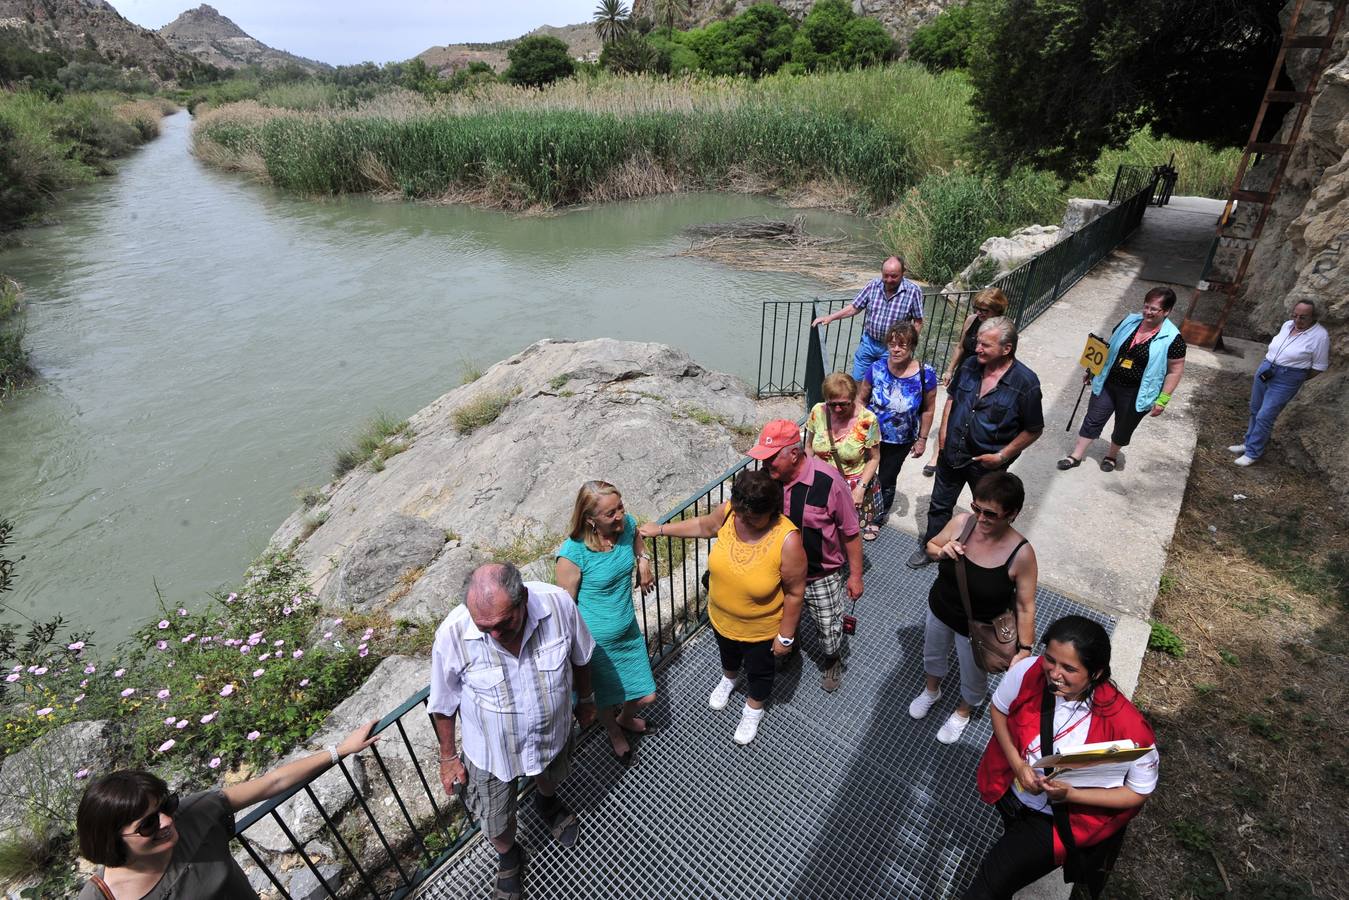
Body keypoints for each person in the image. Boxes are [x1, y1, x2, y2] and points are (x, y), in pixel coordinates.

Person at [430, 563, 597, 900]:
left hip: (550, 733)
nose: (494, 635)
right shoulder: (453, 634)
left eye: (503, 624)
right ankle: (509, 856)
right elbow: (443, 704)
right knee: (494, 818)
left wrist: (587, 699)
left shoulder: (556, 605)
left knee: (550, 774)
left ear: (524, 600)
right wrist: (448, 757)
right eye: (484, 627)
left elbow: (581, 656)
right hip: (492, 752)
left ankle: (547, 804)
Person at [963, 615, 1159, 900]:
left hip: (1054, 821)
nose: (1054, 674)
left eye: (1069, 668)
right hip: (1012, 793)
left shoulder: (1129, 728)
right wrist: (1018, 765)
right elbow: (999, 710)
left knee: (989, 885)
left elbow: (1137, 793)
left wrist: (1072, 794)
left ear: (1096, 672)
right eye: (1051, 660)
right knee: (1006, 871)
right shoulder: (1029, 671)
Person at [75, 721, 380, 899]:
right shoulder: (100, 897)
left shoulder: (193, 815)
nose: (167, 820)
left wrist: (339, 750)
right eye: (148, 824)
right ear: (111, 839)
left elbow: (272, 782)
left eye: (165, 805)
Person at [638, 469, 806, 744]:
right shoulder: (731, 512)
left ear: (772, 511)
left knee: (760, 671)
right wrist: (661, 529)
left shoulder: (787, 540)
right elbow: (704, 527)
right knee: (727, 655)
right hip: (721, 617)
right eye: (741, 515)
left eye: (752, 517)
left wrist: (785, 635)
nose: (745, 521)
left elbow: (795, 592)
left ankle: (754, 707)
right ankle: (729, 678)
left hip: (760, 630)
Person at [908, 472, 1038, 745]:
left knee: (973, 674)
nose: (981, 519)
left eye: (990, 514)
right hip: (941, 610)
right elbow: (931, 546)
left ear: (1012, 514)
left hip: (979, 627)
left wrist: (1024, 649)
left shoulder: (1021, 554)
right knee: (932, 656)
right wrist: (943, 552)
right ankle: (932, 690)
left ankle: (963, 711)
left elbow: (1025, 606)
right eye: (976, 509)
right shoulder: (961, 523)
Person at [909, 317, 1043, 569]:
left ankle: (986, 558)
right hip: (952, 452)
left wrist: (1002, 456)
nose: (978, 349)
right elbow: (952, 398)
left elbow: (1034, 429)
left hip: (987, 464)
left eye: (985, 345)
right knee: (939, 504)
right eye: (978, 343)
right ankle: (933, 548)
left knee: (991, 514)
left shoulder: (1025, 383)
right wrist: (943, 434)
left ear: (1007, 349)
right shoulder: (970, 365)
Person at [750, 419, 863, 691]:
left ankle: (832, 658)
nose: (765, 465)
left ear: (794, 453)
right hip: (780, 572)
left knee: (828, 626)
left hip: (819, 575)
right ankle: (789, 650)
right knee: (782, 619)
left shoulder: (828, 482)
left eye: (771, 458)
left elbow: (850, 531)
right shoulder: (769, 480)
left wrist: (856, 576)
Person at [555, 481, 657, 767]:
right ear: (590, 519)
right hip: (595, 644)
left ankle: (624, 718)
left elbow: (636, 535)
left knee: (647, 695)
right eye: (610, 513)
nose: (619, 516)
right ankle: (613, 731)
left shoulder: (625, 527)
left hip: (628, 631)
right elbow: (566, 609)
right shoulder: (572, 554)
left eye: (620, 507)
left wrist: (643, 559)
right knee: (603, 697)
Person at [1058, 287, 1186, 473]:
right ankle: (1076, 456)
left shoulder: (1174, 339)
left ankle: (1111, 456)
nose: (1147, 312)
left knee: (1123, 427)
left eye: (1154, 309)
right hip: (1109, 383)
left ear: (1166, 311)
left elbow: (1175, 371)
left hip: (1137, 392)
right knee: (1093, 418)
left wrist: (1163, 399)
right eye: (1146, 306)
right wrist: (1093, 371)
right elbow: (1108, 350)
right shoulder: (1129, 321)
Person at [1230, 300, 1330, 467]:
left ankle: (1253, 452)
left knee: (1265, 415)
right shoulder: (1287, 325)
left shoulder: (1320, 336)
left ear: (1313, 317)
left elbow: (1319, 366)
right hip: (1267, 368)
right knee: (1255, 409)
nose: (1297, 320)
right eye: (1295, 315)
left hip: (1288, 377)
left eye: (1303, 317)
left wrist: (1296, 377)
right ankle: (1248, 444)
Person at [861, 322, 938, 538]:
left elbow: (929, 410)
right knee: (862, 471)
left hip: (901, 439)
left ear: (911, 346)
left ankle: (876, 517)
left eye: (902, 345)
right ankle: (857, 504)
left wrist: (922, 439)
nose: (895, 349)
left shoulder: (926, 373)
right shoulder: (876, 368)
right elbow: (861, 399)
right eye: (892, 344)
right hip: (870, 435)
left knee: (886, 477)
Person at [923, 288, 1010, 477]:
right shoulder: (972, 321)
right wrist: (949, 369)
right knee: (950, 412)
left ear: (997, 310)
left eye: (984, 310)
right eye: (977, 308)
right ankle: (938, 455)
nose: (979, 313)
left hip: (987, 376)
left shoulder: (1003, 329)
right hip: (966, 372)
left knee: (974, 415)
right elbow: (961, 346)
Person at [810, 256, 925, 381]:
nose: (889, 280)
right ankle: (859, 400)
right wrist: (830, 317)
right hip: (869, 343)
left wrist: (908, 345)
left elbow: (918, 321)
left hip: (893, 347)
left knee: (886, 382)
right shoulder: (873, 285)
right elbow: (854, 307)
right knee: (858, 379)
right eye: (885, 275)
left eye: (894, 276)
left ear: (903, 273)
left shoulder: (913, 291)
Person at [804, 372, 880, 535]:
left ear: (853, 398)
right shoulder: (818, 411)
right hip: (821, 481)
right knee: (822, 527)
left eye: (843, 404)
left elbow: (874, 458)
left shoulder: (867, 420)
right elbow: (809, 447)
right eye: (832, 404)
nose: (837, 409)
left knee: (848, 531)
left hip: (851, 486)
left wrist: (860, 489)